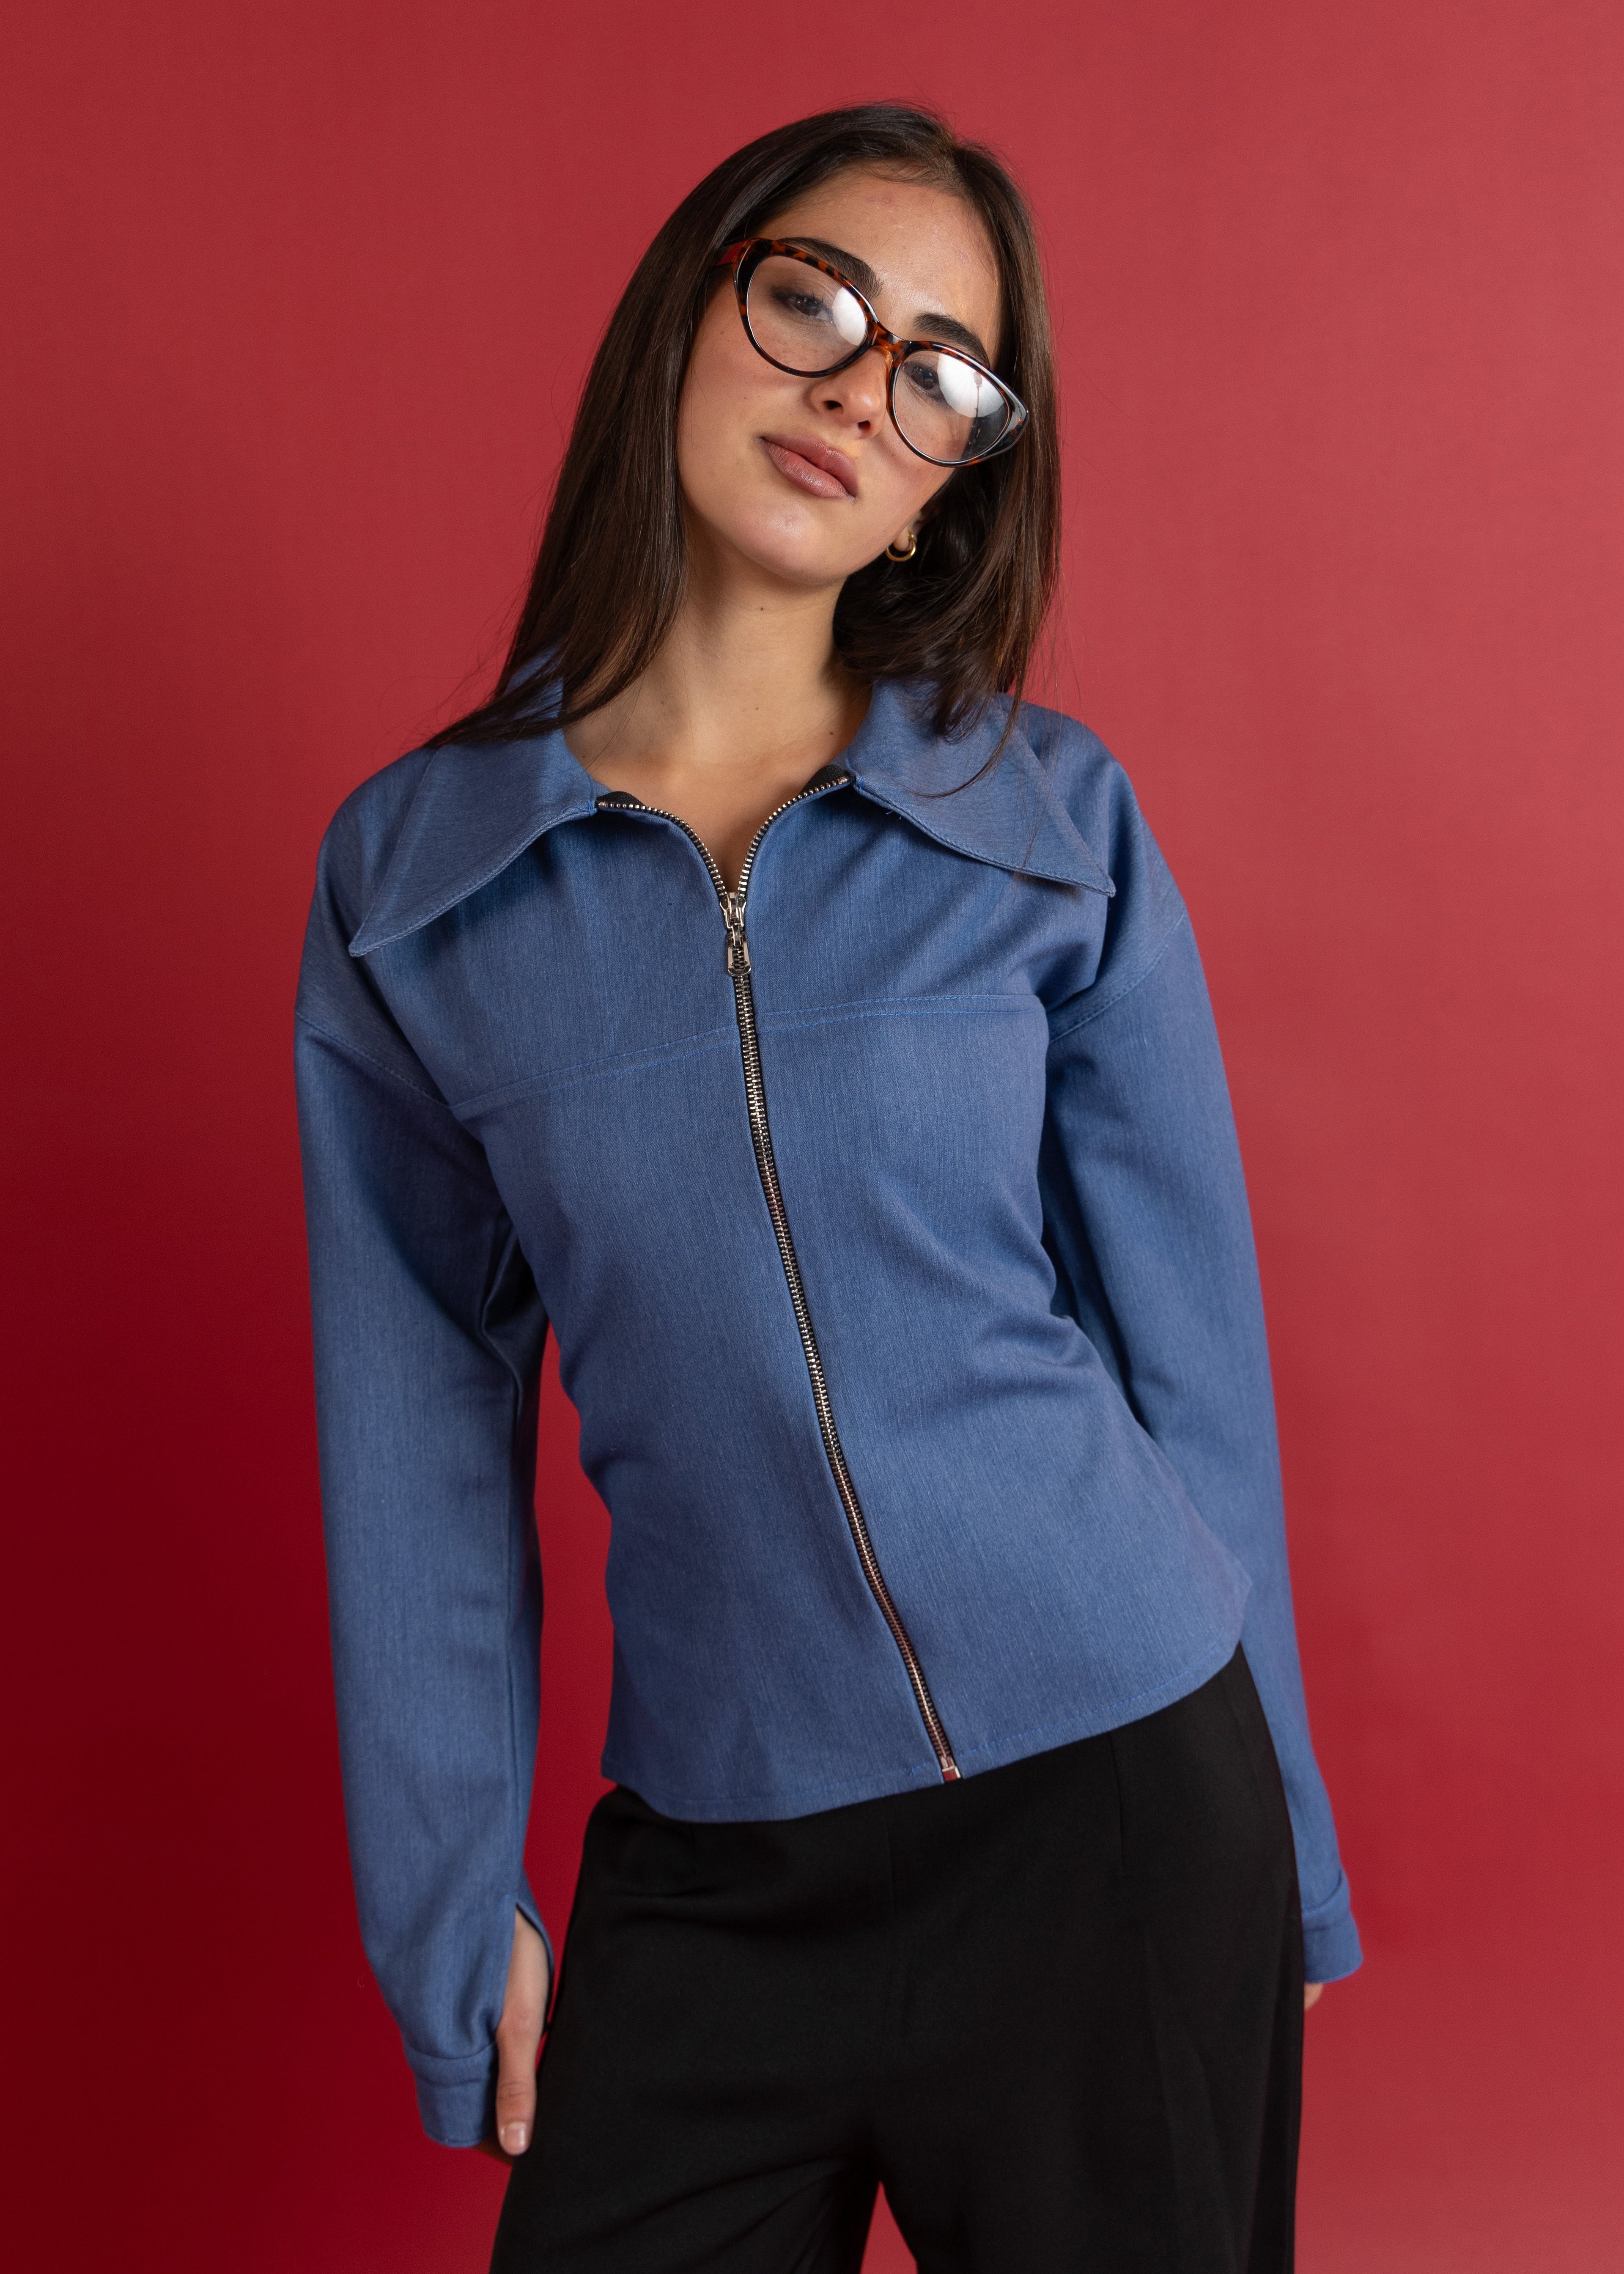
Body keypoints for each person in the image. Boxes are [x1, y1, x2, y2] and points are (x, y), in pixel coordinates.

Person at [295, 102, 1360, 2273]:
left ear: (956, 478)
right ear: (696, 304)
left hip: (1118, 1817)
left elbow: (1194, 1365)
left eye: (939, 375)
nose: (857, 393)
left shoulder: (1049, 826)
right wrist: (450, 1901)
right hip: (716, 1855)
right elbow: (412, 1437)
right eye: (817, 303)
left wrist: (1296, 1849)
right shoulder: (418, 885)